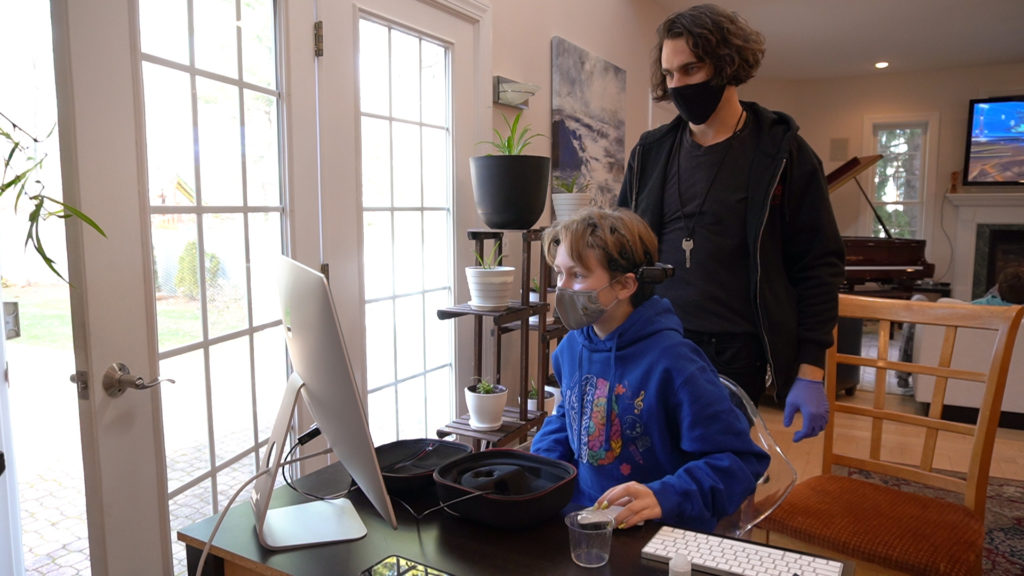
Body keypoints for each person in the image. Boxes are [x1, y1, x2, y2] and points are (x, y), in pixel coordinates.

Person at [617, 4, 845, 443]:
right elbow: (622, 249)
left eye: (692, 68)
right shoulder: (650, 152)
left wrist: (811, 370)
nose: (678, 85)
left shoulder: (783, 153)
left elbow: (818, 267)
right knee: (651, 472)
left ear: (727, 64)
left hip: (735, 354)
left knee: (723, 479)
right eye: (669, 74)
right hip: (655, 341)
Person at [530, 207, 770, 532]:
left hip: (658, 530)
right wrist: (543, 463)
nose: (563, 288)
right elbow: (572, 415)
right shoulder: (571, 349)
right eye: (559, 273)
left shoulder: (676, 363)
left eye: (578, 275)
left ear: (625, 285)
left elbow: (740, 462)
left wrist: (664, 497)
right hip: (583, 521)